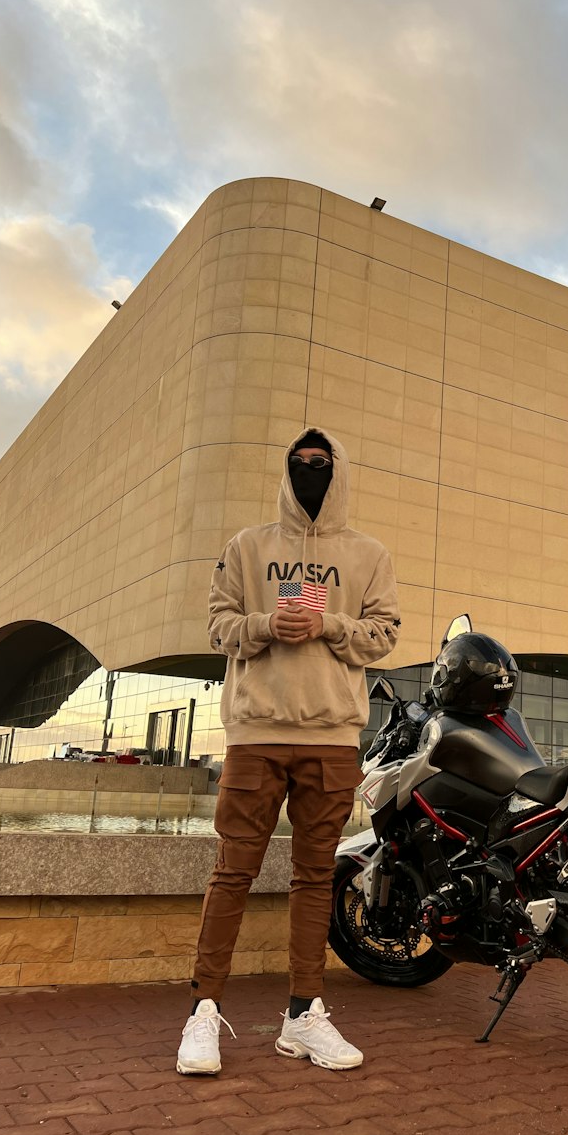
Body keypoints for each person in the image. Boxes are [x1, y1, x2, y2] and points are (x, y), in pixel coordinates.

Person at [177, 428, 400, 1075]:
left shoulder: (368, 554)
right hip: (256, 732)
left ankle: (304, 1012)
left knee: (312, 878)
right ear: (285, 470)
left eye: (321, 464)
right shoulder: (247, 547)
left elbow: (384, 631)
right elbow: (219, 623)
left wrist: (328, 625)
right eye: (300, 464)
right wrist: (265, 625)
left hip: (331, 736)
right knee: (232, 872)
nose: (310, 472)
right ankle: (201, 1011)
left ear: (338, 471)